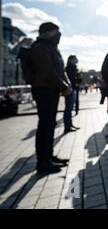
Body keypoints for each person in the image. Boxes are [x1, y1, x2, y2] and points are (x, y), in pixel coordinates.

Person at [28, 22, 72, 174]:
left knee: (50, 123)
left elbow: (58, 69)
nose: (58, 36)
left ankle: (49, 156)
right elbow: (47, 71)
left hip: (51, 90)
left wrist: (64, 84)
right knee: (45, 125)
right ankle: (43, 162)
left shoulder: (50, 47)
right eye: (56, 32)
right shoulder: (40, 47)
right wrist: (64, 86)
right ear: (47, 33)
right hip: (44, 90)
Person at [64, 55, 81, 133]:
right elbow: (72, 79)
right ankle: (67, 126)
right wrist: (77, 79)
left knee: (70, 108)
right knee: (68, 108)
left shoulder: (74, 68)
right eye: (75, 59)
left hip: (73, 89)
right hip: (70, 89)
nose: (76, 60)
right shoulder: (69, 68)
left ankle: (70, 124)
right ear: (71, 60)